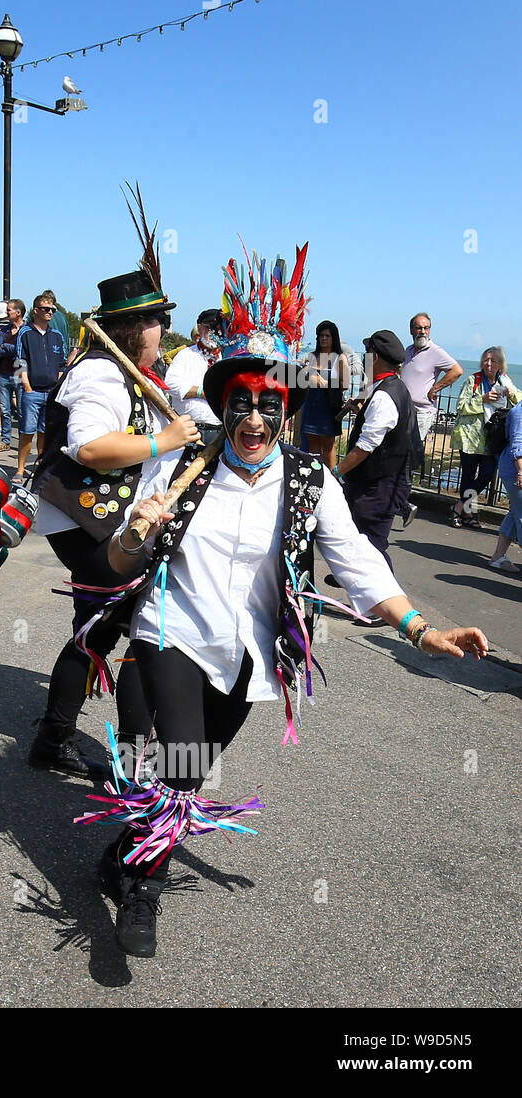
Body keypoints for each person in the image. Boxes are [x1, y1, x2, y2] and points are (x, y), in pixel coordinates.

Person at [93, 246, 489, 958]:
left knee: (192, 766)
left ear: (285, 411)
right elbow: (120, 560)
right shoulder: (182, 463)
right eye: (240, 403)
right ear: (223, 405)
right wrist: (136, 531)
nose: (252, 419)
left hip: (252, 651)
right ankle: (143, 891)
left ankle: (126, 848)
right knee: (183, 763)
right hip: (172, 631)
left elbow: (358, 563)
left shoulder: (309, 481)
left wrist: (421, 629)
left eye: (267, 406)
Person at [29, 253, 199, 780]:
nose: (162, 330)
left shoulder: (132, 374)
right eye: (154, 321)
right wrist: (162, 440)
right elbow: (89, 447)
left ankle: (59, 741)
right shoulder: (101, 374)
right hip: (88, 525)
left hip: (108, 525)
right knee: (141, 628)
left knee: (101, 632)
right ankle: (130, 764)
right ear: (128, 327)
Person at [336, 330, 420, 569]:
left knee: (372, 545)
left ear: (375, 358)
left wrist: (337, 470)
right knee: (361, 538)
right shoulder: (392, 386)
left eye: (366, 354)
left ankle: (388, 601)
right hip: (382, 479)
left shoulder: (385, 395)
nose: (363, 360)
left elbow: (366, 446)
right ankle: (355, 580)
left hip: (380, 483)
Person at [399, 312, 463, 524]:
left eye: (426, 328)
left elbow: (456, 370)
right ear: (411, 330)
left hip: (421, 413)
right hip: (403, 409)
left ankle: (404, 503)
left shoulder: (435, 352)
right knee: (397, 455)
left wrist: (436, 387)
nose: (422, 332)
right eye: (418, 328)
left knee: (407, 457)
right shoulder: (408, 351)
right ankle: (399, 501)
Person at [450, 347, 518, 529]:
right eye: (486, 360)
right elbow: (461, 406)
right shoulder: (473, 380)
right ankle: (468, 513)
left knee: (487, 474)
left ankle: (459, 506)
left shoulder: (505, 381)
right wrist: (483, 399)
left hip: (492, 439)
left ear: (500, 364)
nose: (489, 364)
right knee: (468, 476)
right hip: (470, 438)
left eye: (493, 360)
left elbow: (518, 403)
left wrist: (511, 394)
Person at [14, 292, 67, 482]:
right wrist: (27, 386)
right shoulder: (25, 333)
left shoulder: (57, 335)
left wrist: (58, 386)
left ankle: (40, 467)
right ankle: (20, 469)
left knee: (45, 433)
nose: (50, 312)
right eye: (46, 309)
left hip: (51, 391)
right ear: (36, 311)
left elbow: (62, 363)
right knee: (27, 432)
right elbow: (20, 361)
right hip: (33, 391)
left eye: (53, 309)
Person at [163, 308, 223, 447]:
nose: (213, 332)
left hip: (220, 432)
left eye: (217, 328)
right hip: (188, 430)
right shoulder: (186, 355)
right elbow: (170, 384)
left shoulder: (227, 357)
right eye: (209, 328)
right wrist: (202, 392)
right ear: (200, 328)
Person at [297, 319, 351, 468]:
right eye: (321, 335)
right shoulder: (312, 357)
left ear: (334, 338)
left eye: (327, 335)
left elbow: (345, 384)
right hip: (311, 405)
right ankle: (314, 474)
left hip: (328, 406)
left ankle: (331, 476)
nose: (324, 338)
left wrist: (324, 382)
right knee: (312, 445)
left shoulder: (340, 358)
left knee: (328, 445)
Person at [487, 397, 522, 572]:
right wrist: (521, 471)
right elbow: (518, 443)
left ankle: (498, 557)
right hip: (516, 469)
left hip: (514, 469)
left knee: (515, 511)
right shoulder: (519, 412)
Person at [0, 298, 25, 453]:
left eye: (9, 309)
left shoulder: (26, 330)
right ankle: (6, 440)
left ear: (18, 312)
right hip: (4, 372)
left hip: (19, 371)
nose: (7, 312)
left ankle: (24, 442)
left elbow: (21, 350)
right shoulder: (5, 330)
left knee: (23, 410)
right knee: (5, 409)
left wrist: (7, 347)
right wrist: (8, 348)